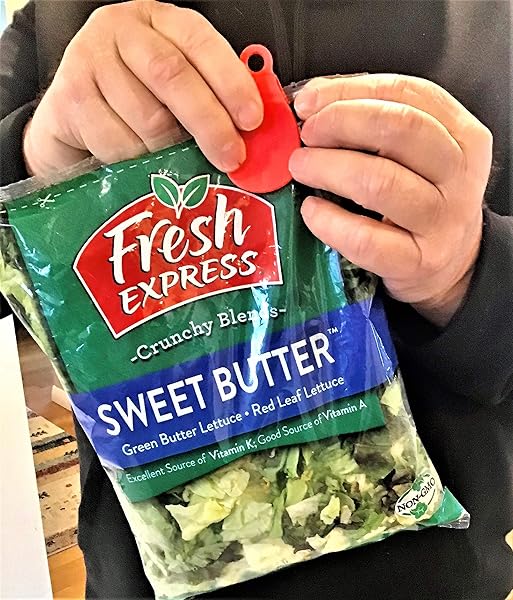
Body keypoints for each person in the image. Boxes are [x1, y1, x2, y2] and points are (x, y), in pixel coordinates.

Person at [1, 1, 512, 598]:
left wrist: (465, 270)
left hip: (444, 576)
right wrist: (33, 163)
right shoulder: (53, 18)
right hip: (144, 573)